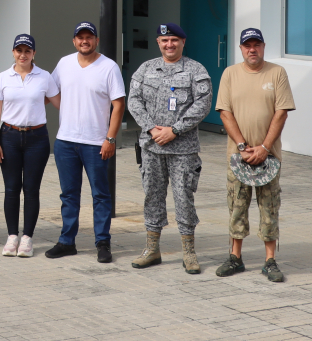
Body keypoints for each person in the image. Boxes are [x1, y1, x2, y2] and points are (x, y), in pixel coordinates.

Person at [126, 22, 212, 273]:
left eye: (174, 40)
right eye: (164, 41)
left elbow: (202, 105)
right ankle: (152, 249)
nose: (169, 44)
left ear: (183, 42)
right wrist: (153, 129)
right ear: (158, 43)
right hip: (152, 147)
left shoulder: (196, 70)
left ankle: (189, 253)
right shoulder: (145, 69)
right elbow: (134, 102)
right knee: (152, 197)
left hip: (183, 149)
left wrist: (174, 130)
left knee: (184, 198)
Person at [215, 28, 296, 282]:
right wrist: (242, 145)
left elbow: (281, 112)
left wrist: (263, 147)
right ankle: (235, 258)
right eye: (247, 45)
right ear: (240, 49)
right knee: (237, 206)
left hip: (269, 157)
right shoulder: (230, 74)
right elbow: (225, 112)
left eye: (256, 44)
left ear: (263, 46)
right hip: (237, 156)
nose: (252, 49)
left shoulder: (277, 73)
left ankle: (270, 260)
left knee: (269, 208)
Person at [46, 21, 125, 263]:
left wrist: (110, 138)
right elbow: (50, 91)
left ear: (96, 40)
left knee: (100, 195)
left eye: (89, 37)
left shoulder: (109, 67)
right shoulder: (64, 63)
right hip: (65, 142)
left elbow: (119, 104)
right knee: (69, 195)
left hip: (95, 143)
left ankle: (103, 242)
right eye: (80, 37)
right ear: (74, 41)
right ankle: (67, 241)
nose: (84, 41)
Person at [0, 33, 59, 258]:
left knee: (31, 189)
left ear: (34, 53)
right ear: (13, 52)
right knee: (11, 189)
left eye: (27, 51)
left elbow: (60, 102)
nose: (23, 55)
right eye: (19, 51)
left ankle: (27, 238)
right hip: (8, 136)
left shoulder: (44, 77)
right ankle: (12, 237)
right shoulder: (3, 77)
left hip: (36, 138)